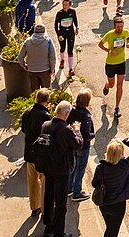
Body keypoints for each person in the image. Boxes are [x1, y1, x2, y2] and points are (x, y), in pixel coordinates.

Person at [39, 101, 83, 237]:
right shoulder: (66, 130)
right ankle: (59, 232)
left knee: (49, 194)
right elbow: (78, 145)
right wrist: (77, 130)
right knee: (61, 202)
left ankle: (49, 226)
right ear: (67, 114)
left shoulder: (46, 125)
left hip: (48, 166)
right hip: (62, 169)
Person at [92, 138, 129, 237]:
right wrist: (127, 141)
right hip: (118, 205)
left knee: (110, 228)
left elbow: (94, 184)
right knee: (113, 231)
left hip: (104, 203)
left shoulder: (100, 167)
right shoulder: (124, 165)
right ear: (121, 154)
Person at [20, 89, 53, 218]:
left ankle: (35, 207)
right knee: (44, 182)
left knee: (32, 181)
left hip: (28, 153)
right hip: (41, 156)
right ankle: (45, 209)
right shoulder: (46, 116)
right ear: (46, 101)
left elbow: (23, 129)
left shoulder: (27, 112)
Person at [99, 16, 129, 119]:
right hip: (111, 64)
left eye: (121, 26)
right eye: (118, 27)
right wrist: (109, 50)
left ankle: (117, 107)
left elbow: (128, 36)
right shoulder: (110, 34)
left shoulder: (125, 32)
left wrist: (128, 43)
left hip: (121, 62)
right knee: (112, 85)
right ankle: (107, 85)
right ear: (114, 26)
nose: (120, 28)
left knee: (120, 85)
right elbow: (100, 44)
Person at [67, 89, 96, 202]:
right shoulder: (86, 116)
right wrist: (93, 135)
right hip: (83, 147)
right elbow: (86, 135)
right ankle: (77, 192)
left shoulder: (72, 111)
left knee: (73, 167)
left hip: (73, 144)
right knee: (80, 169)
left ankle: (69, 188)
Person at [18, 23, 56, 91]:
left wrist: (24, 66)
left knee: (34, 93)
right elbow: (52, 57)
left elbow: (20, 57)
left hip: (32, 71)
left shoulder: (27, 41)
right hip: (45, 70)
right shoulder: (48, 41)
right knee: (46, 93)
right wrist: (52, 69)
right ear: (44, 32)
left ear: (34, 31)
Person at [54, 0, 79, 77]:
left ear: (70, 5)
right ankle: (62, 60)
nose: (64, 6)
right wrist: (59, 35)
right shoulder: (59, 13)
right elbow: (55, 26)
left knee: (70, 50)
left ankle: (71, 68)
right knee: (62, 48)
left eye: (66, 5)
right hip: (62, 33)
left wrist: (77, 28)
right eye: (63, 5)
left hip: (71, 33)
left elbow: (75, 20)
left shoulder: (72, 11)